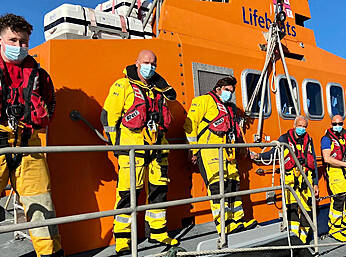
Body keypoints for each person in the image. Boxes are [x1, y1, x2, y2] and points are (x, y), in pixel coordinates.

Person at [0, 14, 63, 256]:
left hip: (29, 144)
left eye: (24, 41)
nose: (19, 47)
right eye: (13, 40)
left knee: (43, 208)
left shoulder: (40, 75)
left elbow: (50, 104)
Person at [101, 50, 178, 255]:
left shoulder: (159, 90)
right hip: (132, 151)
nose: (150, 67)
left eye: (153, 63)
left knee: (159, 192)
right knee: (128, 194)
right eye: (146, 62)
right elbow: (108, 118)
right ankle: (123, 239)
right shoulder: (123, 85)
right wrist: (117, 147)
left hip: (158, 149)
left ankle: (158, 231)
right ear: (137, 63)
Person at [183, 76, 257, 235]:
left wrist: (242, 148)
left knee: (233, 186)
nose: (229, 93)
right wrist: (193, 150)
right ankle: (223, 224)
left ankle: (237, 220)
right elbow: (190, 126)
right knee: (218, 188)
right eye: (227, 90)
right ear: (218, 89)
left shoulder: (230, 108)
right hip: (210, 152)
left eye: (231, 91)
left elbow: (235, 129)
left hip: (228, 153)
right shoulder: (202, 101)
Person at [250, 115, 319, 244]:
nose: (302, 129)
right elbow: (272, 153)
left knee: (307, 213)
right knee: (292, 213)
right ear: (294, 126)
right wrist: (258, 155)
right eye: (300, 126)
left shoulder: (309, 140)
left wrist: (315, 183)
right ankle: (294, 241)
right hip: (290, 183)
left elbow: (313, 161)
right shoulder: (284, 139)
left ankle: (302, 242)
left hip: (306, 183)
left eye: (304, 127)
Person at [321, 115, 346, 242]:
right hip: (336, 174)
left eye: (340, 123)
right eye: (335, 124)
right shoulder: (326, 139)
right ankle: (335, 229)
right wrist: (345, 164)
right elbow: (327, 158)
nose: (338, 126)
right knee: (338, 201)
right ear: (331, 124)